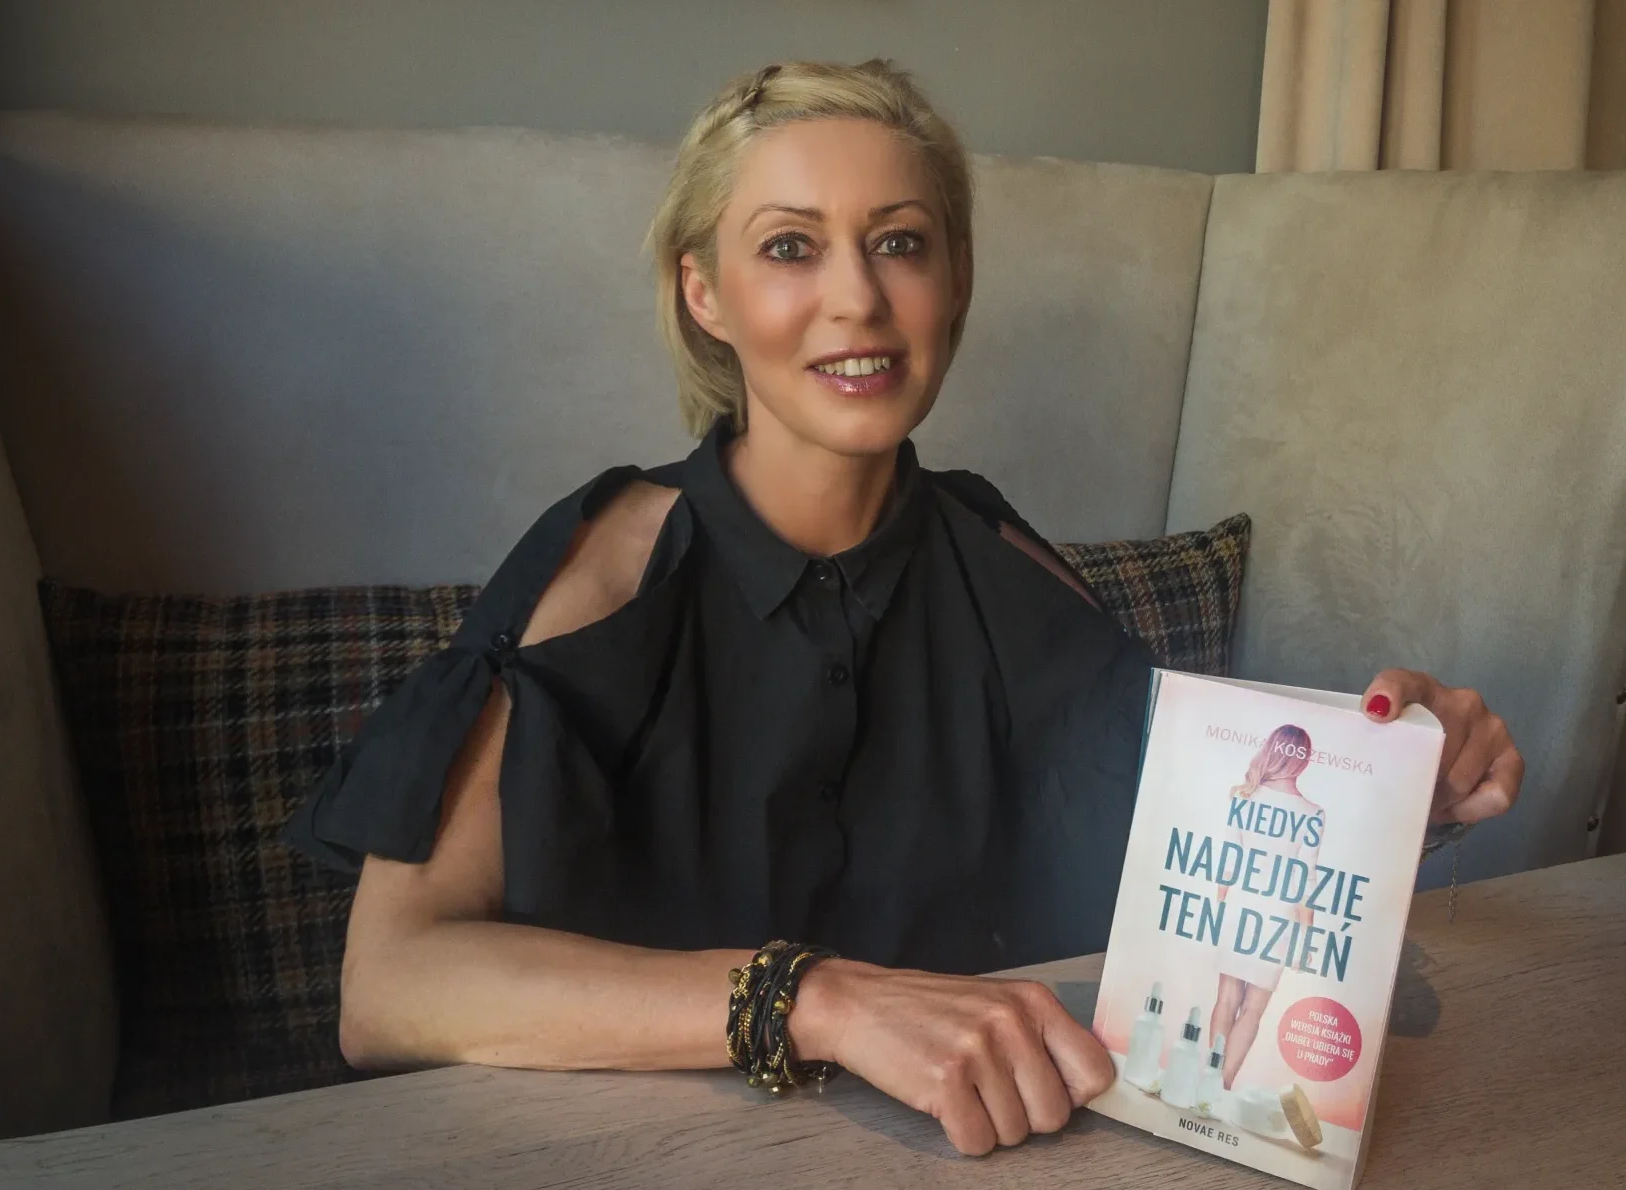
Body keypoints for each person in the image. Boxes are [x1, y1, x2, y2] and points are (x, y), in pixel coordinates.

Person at [287, 59, 1524, 1158]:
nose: (859, 301)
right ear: (704, 293)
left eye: (899, 242)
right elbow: (389, 987)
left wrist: (1393, 782)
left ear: (955, 279)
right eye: (790, 247)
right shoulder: (601, 574)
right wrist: (820, 997)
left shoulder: (999, 559)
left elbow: (1205, 855)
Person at [1211, 724, 1322, 1090]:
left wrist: (1218, 909)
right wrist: (1305, 940)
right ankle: (1223, 1086)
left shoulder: (1243, 797)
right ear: (1303, 760)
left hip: (1239, 907)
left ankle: (1208, 1079)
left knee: (1226, 998)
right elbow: (1306, 883)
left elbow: (1228, 864)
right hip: (1279, 919)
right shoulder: (1312, 814)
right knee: (1253, 1010)